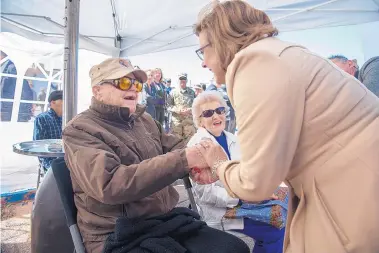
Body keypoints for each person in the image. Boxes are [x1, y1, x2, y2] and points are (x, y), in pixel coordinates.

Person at [191, 1, 379, 253]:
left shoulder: (256, 63)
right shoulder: (280, 54)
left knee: (275, 226)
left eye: (220, 110)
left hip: (353, 196)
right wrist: (227, 172)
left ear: (222, 40)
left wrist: (219, 165)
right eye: (208, 112)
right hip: (223, 218)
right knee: (273, 226)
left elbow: (256, 180)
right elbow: (215, 195)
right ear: (198, 118)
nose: (203, 62)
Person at [63, 58, 249, 253]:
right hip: (114, 232)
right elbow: (110, 185)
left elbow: (176, 146)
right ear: (97, 90)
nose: (134, 89)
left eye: (136, 84)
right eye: (124, 82)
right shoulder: (80, 130)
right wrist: (185, 159)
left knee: (234, 248)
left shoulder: (144, 119)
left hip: (163, 220)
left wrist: (199, 164)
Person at [188, 91, 286, 253]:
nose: (216, 116)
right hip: (222, 211)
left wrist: (259, 187)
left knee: (286, 208)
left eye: (220, 110)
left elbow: (247, 171)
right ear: (200, 121)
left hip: (244, 202)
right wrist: (243, 196)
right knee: (275, 232)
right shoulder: (197, 147)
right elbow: (205, 194)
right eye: (208, 113)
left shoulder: (233, 138)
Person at [33, 90, 63, 172]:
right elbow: (39, 145)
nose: (67, 103)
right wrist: (49, 165)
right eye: (63, 100)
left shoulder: (67, 118)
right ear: (53, 103)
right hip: (51, 161)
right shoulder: (42, 118)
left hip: (67, 159)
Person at [167, 73, 196, 143]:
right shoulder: (172, 92)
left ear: (187, 80)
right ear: (178, 80)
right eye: (181, 79)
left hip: (188, 122)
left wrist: (190, 110)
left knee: (190, 143)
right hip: (177, 123)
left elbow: (196, 105)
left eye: (184, 79)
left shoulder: (192, 92)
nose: (182, 81)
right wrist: (179, 110)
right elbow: (168, 106)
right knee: (176, 144)